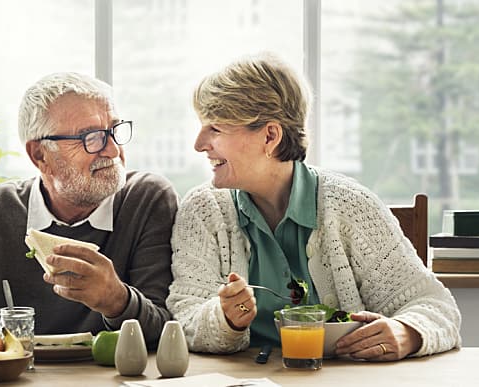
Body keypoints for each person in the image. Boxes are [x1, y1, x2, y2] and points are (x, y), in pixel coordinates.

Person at [166, 53, 461, 360]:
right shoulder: (203, 210)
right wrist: (224, 319)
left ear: (270, 135)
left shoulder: (352, 206)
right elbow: (184, 317)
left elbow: (435, 306)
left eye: (215, 129)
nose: (199, 144)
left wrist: (408, 331)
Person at [0, 72, 179, 348]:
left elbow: (167, 334)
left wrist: (116, 299)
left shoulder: (146, 199)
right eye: (91, 137)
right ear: (40, 155)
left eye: (114, 131)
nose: (113, 151)